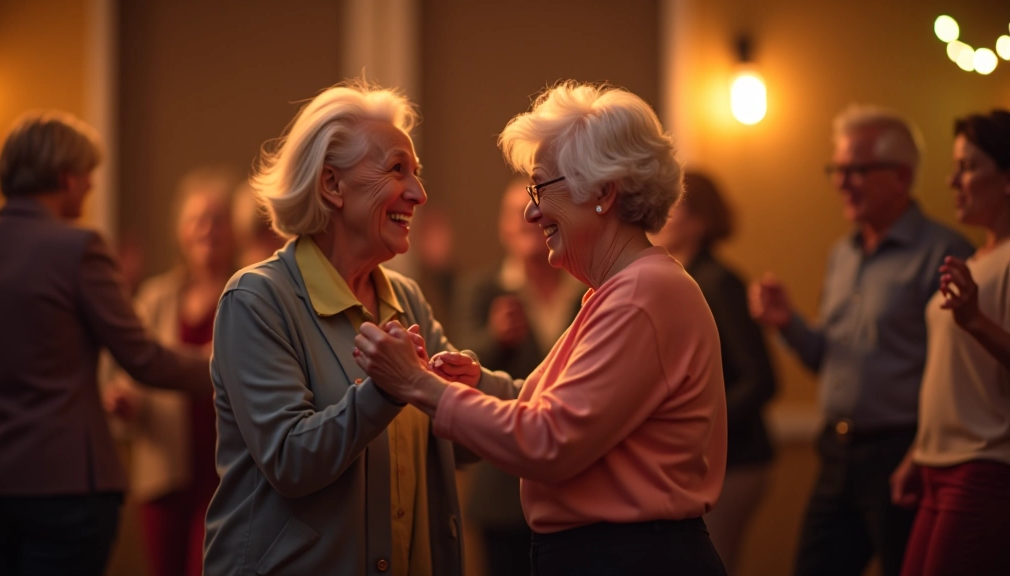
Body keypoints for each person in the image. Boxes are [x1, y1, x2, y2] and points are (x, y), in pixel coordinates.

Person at [353, 81, 728, 576]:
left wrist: (415, 384)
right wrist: (479, 385)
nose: (531, 213)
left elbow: (549, 440)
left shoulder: (641, 295)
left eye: (541, 188)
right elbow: (567, 414)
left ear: (603, 192)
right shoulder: (625, 290)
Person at [202, 79, 513, 575]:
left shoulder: (405, 299)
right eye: (396, 169)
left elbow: (459, 445)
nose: (419, 193)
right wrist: (386, 391)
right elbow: (290, 461)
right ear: (332, 184)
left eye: (416, 173)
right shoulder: (257, 299)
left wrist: (470, 385)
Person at [748, 105, 974, 576]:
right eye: (836, 170)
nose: (841, 183)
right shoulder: (843, 254)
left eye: (856, 170)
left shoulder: (945, 253)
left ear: (901, 176)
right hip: (835, 453)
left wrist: (917, 455)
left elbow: (958, 375)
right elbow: (829, 360)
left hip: (903, 454)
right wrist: (788, 323)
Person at [0, 111, 211, 576]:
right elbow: (143, 358)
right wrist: (223, 364)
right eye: (87, 173)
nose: (91, 185)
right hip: (69, 482)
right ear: (65, 176)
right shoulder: (78, 248)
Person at [891, 109, 1010, 576]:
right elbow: (951, 376)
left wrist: (975, 320)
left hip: (983, 467)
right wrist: (916, 454)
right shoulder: (977, 258)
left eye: (969, 167)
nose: (952, 180)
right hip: (937, 465)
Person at [103, 167, 238, 576]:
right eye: (198, 219)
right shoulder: (154, 298)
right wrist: (125, 403)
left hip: (229, 476)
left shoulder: (249, 294)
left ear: (233, 230)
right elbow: (133, 375)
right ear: (181, 230)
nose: (208, 230)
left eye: (217, 219)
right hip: (163, 474)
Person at [453, 177, 585, 576]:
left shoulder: (585, 288)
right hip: (503, 487)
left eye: (537, 209)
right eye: (516, 213)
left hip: (576, 483)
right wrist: (494, 338)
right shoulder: (482, 289)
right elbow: (459, 364)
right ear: (503, 227)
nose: (529, 219)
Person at [650, 171, 777, 576]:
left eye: (672, 207)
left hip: (735, 460)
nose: (658, 215)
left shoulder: (719, 283)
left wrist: (698, 424)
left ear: (699, 220)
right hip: (700, 460)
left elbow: (761, 379)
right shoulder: (676, 279)